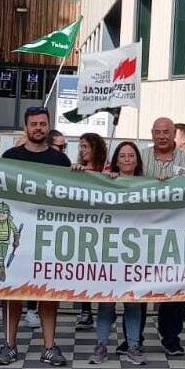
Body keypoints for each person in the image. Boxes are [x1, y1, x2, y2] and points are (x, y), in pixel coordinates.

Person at [0, 106, 72, 367]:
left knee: (48, 293)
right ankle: (9, 345)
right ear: (25, 127)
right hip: (18, 237)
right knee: (13, 292)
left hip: (48, 237)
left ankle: (49, 347)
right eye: (34, 124)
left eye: (43, 123)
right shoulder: (10, 156)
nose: (38, 128)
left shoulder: (60, 161)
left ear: (48, 126)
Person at [138, 117, 185, 356]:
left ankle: (171, 337)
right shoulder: (140, 157)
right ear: (152, 133)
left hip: (174, 232)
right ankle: (134, 338)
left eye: (166, 132)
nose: (162, 136)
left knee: (171, 287)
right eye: (157, 132)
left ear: (175, 134)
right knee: (137, 286)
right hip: (142, 232)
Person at [87, 141, 148, 365]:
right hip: (110, 251)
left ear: (137, 160)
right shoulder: (106, 181)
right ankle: (101, 345)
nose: (127, 159)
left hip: (136, 252)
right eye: (122, 156)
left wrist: (162, 183)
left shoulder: (147, 184)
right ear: (116, 160)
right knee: (106, 302)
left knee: (133, 303)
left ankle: (133, 346)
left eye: (131, 155)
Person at [70, 133, 108, 330]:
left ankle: (104, 310)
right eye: (80, 147)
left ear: (95, 147)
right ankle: (86, 310)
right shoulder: (78, 170)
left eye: (85, 146)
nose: (82, 150)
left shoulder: (108, 170)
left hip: (105, 228)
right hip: (84, 228)